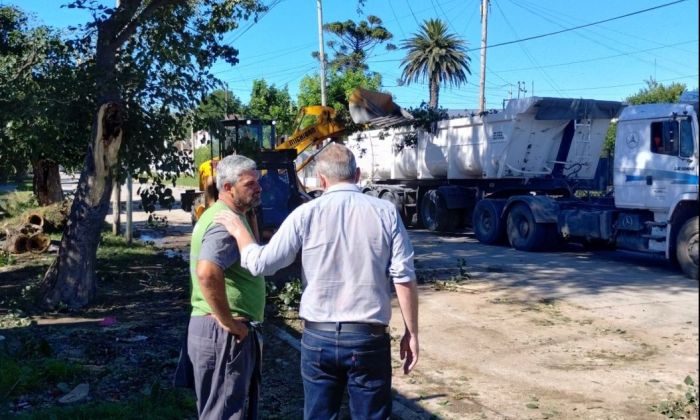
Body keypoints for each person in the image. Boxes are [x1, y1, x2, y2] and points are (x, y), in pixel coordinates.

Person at [214, 143, 419, 419]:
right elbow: (403, 277)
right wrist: (411, 332)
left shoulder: (305, 214)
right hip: (368, 339)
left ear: (321, 179)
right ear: (357, 174)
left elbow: (261, 264)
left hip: (318, 338)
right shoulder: (386, 212)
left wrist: (240, 231)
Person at [185, 154, 266, 419]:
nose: (258, 188)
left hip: (219, 332)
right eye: (249, 184)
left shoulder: (228, 216)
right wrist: (229, 322)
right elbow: (207, 272)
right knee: (224, 413)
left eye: (257, 182)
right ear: (228, 188)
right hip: (224, 335)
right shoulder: (224, 224)